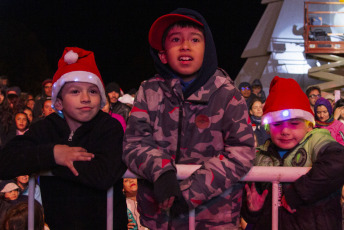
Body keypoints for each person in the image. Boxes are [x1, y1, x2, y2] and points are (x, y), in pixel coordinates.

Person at [123, 8, 255, 229]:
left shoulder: (227, 94)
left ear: (207, 49)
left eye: (195, 39)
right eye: (175, 40)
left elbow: (241, 151)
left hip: (213, 219)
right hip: (158, 218)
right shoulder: (148, 91)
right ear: (163, 53)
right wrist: (161, 171)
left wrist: (190, 194)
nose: (185, 45)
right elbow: (134, 142)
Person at [0, 47, 128, 230]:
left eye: (93, 91)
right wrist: (53, 153)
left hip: (107, 225)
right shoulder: (45, 128)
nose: (86, 98)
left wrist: (51, 164)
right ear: (58, 102)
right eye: (75, 91)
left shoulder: (109, 127)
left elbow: (104, 174)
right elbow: (5, 161)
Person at [241, 76, 344, 230]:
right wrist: (252, 210)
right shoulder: (260, 155)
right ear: (268, 127)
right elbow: (250, 209)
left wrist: (297, 193)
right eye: (277, 124)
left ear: (308, 125)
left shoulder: (316, 140)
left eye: (294, 123)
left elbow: (339, 160)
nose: (285, 131)